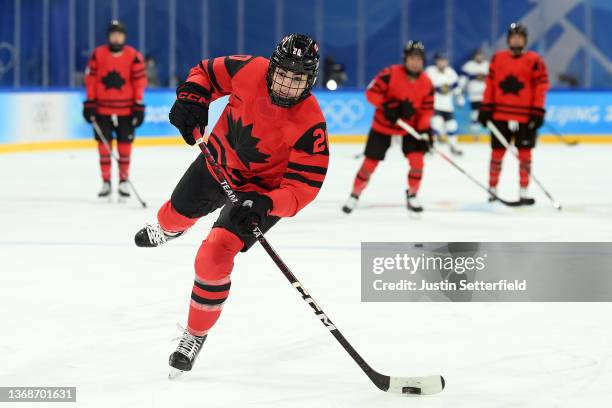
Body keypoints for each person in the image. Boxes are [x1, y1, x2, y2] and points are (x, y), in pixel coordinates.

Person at [133, 34, 329, 377]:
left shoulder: (311, 124)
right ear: (271, 67)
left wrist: (268, 204)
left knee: (213, 257)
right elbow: (206, 73)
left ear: (310, 80)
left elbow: (303, 188)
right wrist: (193, 98)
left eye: (298, 79)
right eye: (283, 73)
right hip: (216, 163)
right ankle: (169, 229)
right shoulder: (249, 69)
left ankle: (194, 335)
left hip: (258, 194)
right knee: (172, 215)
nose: (287, 84)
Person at [342, 40, 434, 214]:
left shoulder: (427, 83)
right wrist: (387, 106)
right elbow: (371, 93)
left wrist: (424, 131)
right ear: (405, 59)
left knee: (417, 162)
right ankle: (355, 194)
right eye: (412, 58)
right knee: (369, 163)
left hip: (409, 129)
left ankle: (413, 194)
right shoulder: (390, 73)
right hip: (383, 126)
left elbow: (427, 109)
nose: (415, 62)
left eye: (419, 58)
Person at [478, 23, 549, 204]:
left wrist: (538, 110)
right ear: (508, 39)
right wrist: (486, 107)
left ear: (525, 40)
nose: (516, 39)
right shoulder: (498, 58)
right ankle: (492, 190)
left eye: (520, 36)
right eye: (513, 36)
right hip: (499, 115)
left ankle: (523, 191)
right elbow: (490, 85)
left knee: (525, 155)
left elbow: (541, 87)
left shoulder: (535, 60)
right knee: (497, 154)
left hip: (525, 116)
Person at [83, 20, 147, 200]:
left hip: (126, 110)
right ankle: (106, 182)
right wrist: (90, 102)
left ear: (124, 36)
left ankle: (123, 182)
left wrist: (139, 104)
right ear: (109, 36)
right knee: (104, 147)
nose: (116, 37)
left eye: (119, 33)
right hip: (102, 109)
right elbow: (91, 80)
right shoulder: (98, 54)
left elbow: (139, 82)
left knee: (124, 147)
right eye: (113, 33)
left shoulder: (133, 55)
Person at [425, 53, 464, 156]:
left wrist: (459, 98)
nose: (442, 62)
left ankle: (454, 147)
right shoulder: (430, 72)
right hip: (435, 105)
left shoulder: (451, 72)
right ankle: (431, 148)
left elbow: (457, 88)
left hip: (447, 106)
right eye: (440, 60)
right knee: (436, 124)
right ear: (436, 61)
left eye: (444, 60)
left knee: (452, 126)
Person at [459, 49, 489, 133]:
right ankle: (475, 132)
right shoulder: (469, 66)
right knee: (475, 112)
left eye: (481, 55)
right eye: (477, 55)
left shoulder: (487, 65)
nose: (479, 57)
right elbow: (463, 79)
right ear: (474, 56)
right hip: (474, 94)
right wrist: (460, 89)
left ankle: (485, 131)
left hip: (486, 94)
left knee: (486, 111)